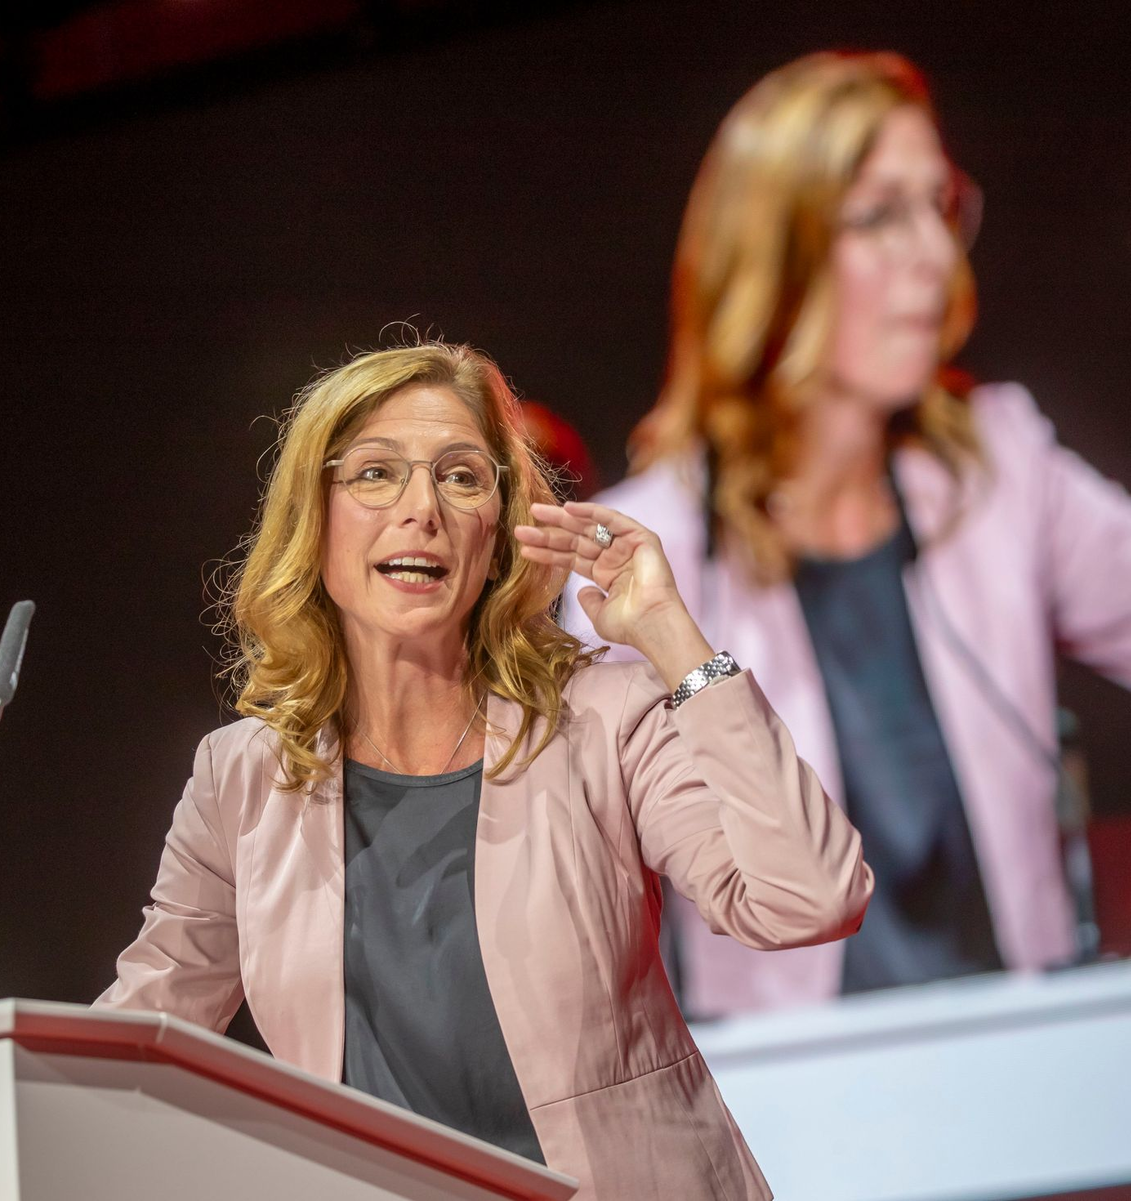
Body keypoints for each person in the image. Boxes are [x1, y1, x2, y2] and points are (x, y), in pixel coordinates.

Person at [95, 340, 872, 1200]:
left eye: (462, 477)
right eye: (375, 474)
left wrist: (667, 633)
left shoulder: (602, 722)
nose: (420, 509)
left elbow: (811, 897)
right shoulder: (238, 778)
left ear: (500, 531)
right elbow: (140, 1038)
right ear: (313, 519)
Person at [564, 52, 1131, 1016]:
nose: (937, 258)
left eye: (939, 208)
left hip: (1025, 1069)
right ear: (776, 255)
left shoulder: (1000, 468)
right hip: (798, 1122)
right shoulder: (650, 555)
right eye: (881, 215)